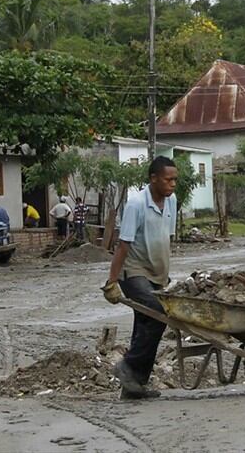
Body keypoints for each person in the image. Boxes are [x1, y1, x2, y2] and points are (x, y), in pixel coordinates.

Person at [101, 156, 177, 400]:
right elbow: (123, 245)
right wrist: (112, 281)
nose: (172, 184)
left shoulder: (171, 201)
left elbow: (167, 238)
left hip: (157, 273)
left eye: (175, 180)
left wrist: (166, 275)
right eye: (168, 179)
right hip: (133, 271)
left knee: (144, 324)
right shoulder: (136, 204)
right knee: (158, 313)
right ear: (153, 179)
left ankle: (133, 386)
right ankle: (129, 365)